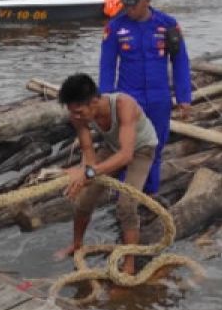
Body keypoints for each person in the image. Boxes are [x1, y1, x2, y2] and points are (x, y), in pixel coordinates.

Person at [55, 73, 159, 274]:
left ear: (94, 101)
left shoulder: (123, 105)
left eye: (79, 111)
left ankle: (129, 265)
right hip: (112, 147)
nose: (75, 116)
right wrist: (86, 174)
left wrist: (89, 173)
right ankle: (76, 245)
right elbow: (88, 149)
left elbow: (126, 155)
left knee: (126, 205)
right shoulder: (77, 115)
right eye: (72, 112)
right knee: (84, 199)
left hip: (141, 149)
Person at [99, 0, 191, 193]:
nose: (129, 9)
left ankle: (150, 196)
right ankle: (126, 199)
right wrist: (105, 101)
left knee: (155, 149)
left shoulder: (167, 25)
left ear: (146, 1)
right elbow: (107, 66)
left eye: (133, 4)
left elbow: (180, 62)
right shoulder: (115, 28)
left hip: (159, 98)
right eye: (126, 5)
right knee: (127, 149)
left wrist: (184, 97)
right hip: (128, 99)